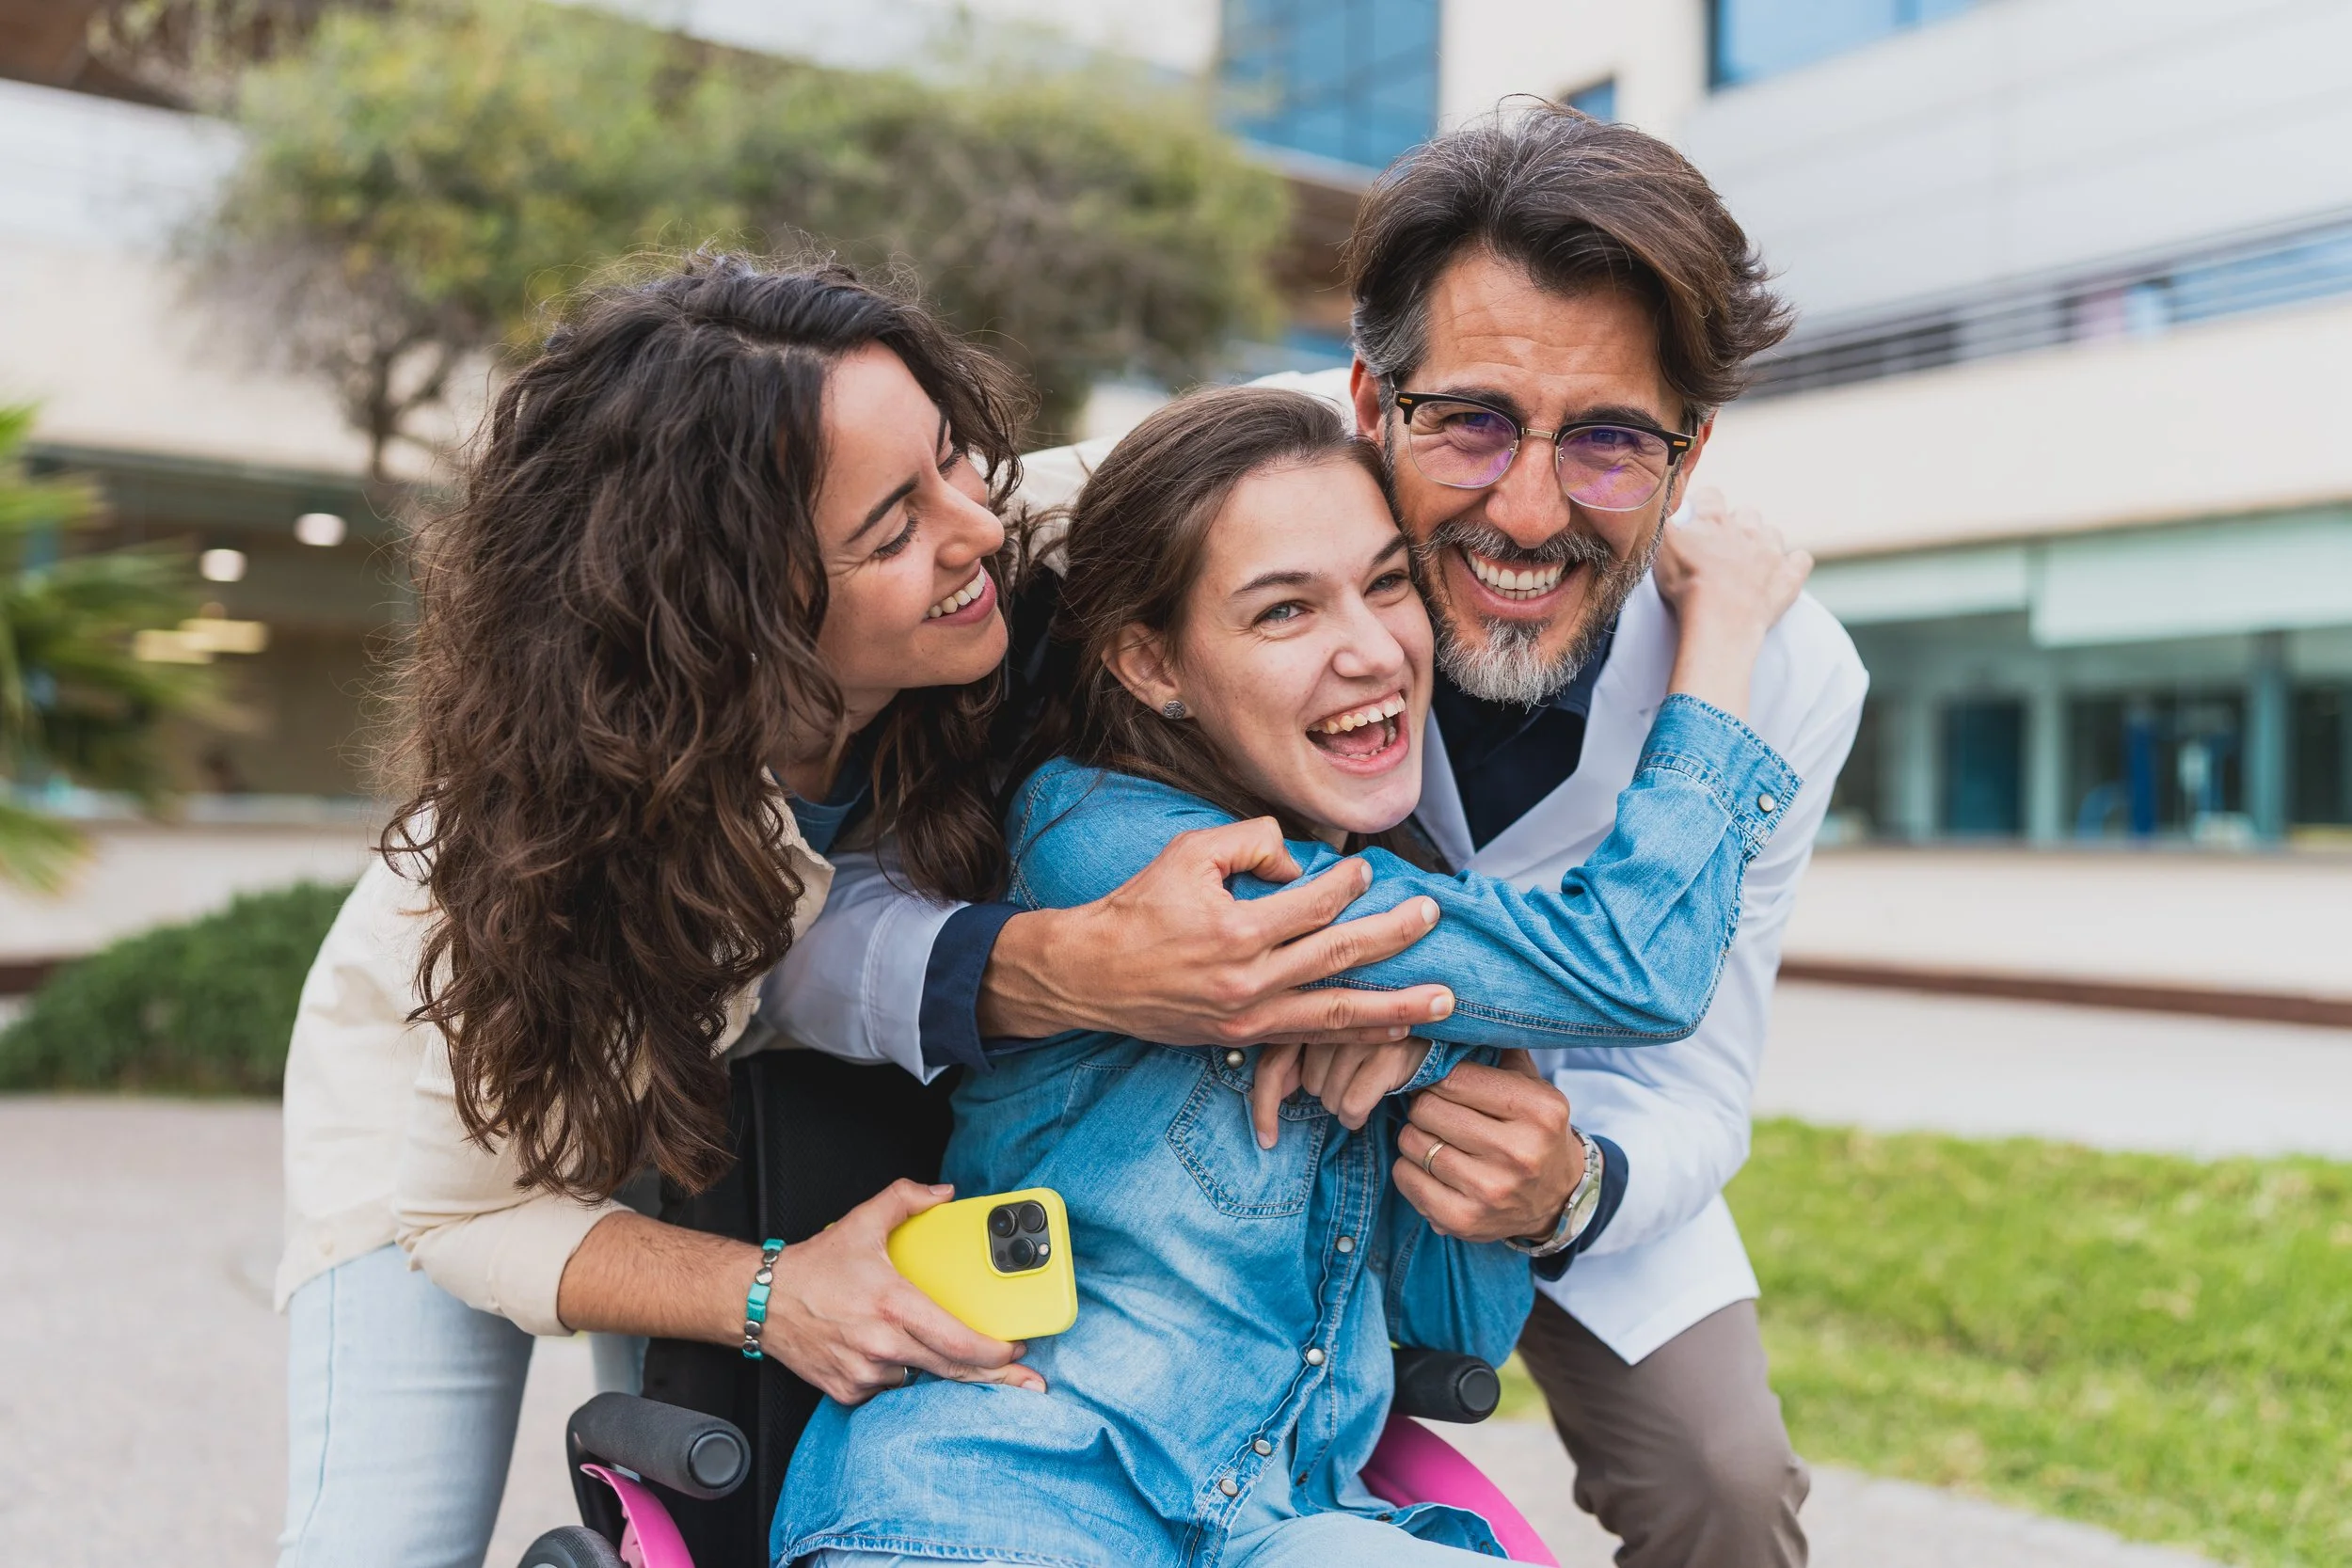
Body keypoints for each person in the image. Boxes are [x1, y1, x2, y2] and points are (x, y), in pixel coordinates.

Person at [771, 105, 1868, 1568]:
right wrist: (1048, 967)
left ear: (1690, 450)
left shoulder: (1781, 677)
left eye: (1609, 441)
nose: (1528, 507)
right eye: (1473, 421)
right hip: (1026, 1463)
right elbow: (816, 904)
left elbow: (1687, 1061)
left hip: (1512, 1190)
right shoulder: (1205, 556)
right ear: (1374, 401)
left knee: (1727, 1479)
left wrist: (1546, 1155)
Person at [274, 253, 1459, 1568]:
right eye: (891, 526)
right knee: (382, 1541)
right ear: (737, 605)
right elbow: (472, 1216)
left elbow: (1350, 415)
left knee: (701, 1467)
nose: (978, 530)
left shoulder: (1017, 538)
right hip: (481, 1095)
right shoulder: (557, 856)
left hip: (720, 1061)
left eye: (954, 457)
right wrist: (770, 1292)